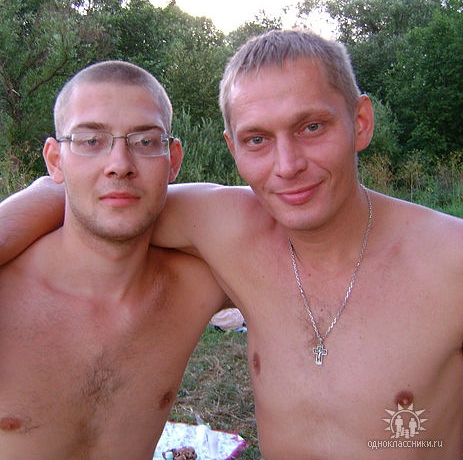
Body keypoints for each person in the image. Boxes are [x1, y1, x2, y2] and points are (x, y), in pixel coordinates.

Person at [1, 30, 462, 459]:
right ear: (233, 147)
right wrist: (53, 187)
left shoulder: (450, 261)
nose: (287, 165)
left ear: (360, 123)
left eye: (312, 127)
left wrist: (68, 176)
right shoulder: (229, 231)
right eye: (257, 139)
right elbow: (98, 200)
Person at [0, 60, 228, 459]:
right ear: (55, 160)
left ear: (173, 160)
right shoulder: (7, 294)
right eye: (90, 140)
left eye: (145, 142)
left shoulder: (197, 287)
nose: (120, 165)